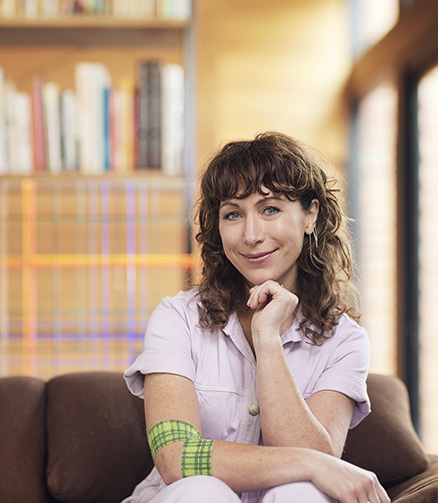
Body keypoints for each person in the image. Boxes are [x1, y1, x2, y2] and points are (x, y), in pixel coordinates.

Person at [122, 132, 390, 503]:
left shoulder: (344, 341)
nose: (251, 235)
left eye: (271, 209)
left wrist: (268, 339)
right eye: (233, 214)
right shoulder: (177, 318)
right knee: (203, 491)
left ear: (310, 214)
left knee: (303, 493)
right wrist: (311, 463)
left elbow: (317, 473)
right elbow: (174, 457)